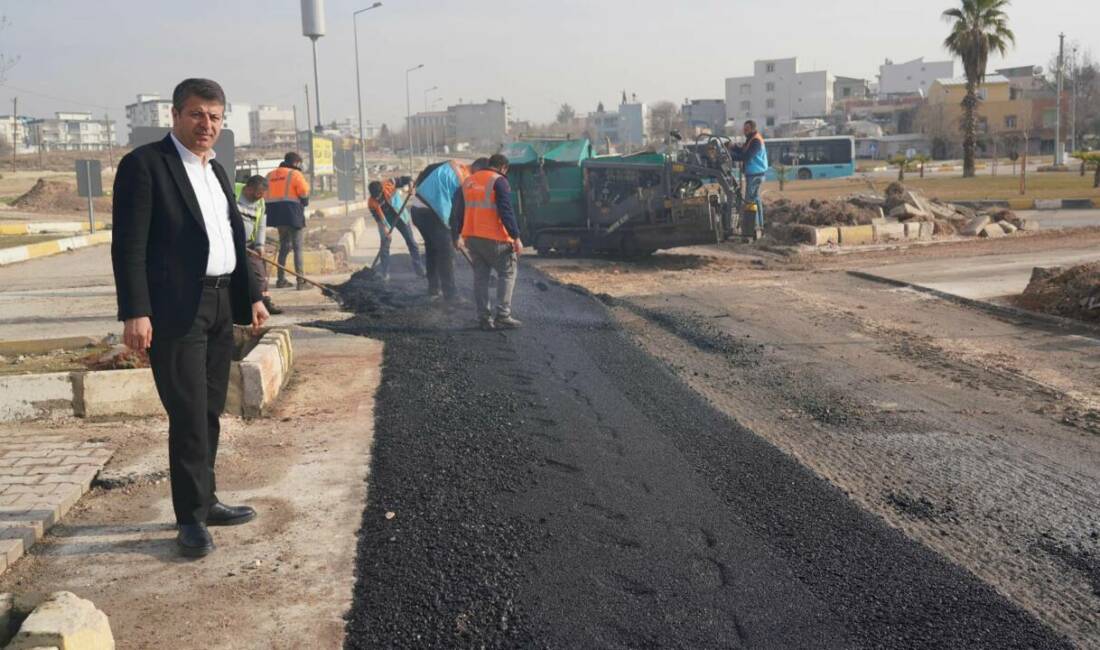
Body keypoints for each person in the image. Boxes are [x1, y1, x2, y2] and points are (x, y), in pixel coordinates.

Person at [111, 78, 268, 558]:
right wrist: (136, 311)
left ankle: (208, 498)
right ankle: (190, 519)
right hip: (175, 310)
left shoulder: (218, 170)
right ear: (176, 116)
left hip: (221, 305)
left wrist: (253, 296)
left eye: (216, 117)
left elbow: (229, 240)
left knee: (210, 408)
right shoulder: (145, 167)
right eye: (198, 115)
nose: (207, 125)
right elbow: (129, 245)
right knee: (187, 414)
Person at [451, 153, 523, 330]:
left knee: (481, 278)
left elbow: (457, 212)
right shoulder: (499, 181)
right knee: (507, 273)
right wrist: (516, 237)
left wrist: (457, 235)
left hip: (473, 239)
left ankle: (484, 318)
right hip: (496, 238)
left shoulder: (467, 182)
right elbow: (506, 211)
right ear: (503, 167)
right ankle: (503, 315)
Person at [410, 160, 470, 301]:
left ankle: (434, 289)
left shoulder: (449, 165)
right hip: (432, 213)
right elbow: (456, 213)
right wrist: (456, 237)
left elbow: (426, 171)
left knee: (432, 250)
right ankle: (451, 295)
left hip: (417, 210)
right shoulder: (464, 179)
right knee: (446, 254)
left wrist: (418, 181)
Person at [234, 175, 282, 315]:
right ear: (248, 188)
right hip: (231, 244)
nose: (260, 197)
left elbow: (261, 224)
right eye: (257, 193)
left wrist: (260, 245)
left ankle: (263, 302)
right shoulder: (233, 190)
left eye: (262, 194)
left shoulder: (260, 202)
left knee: (260, 274)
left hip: (249, 244)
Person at [265, 152, 310, 289]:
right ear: (296, 163)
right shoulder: (295, 174)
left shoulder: (270, 175)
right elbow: (304, 192)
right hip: (293, 216)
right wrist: (304, 201)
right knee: (297, 248)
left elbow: (264, 194)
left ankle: (281, 280)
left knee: (284, 247)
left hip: (276, 216)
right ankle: (301, 282)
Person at [368, 177, 425, 282]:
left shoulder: (389, 184)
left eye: (379, 196)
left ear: (382, 189)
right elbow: (377, 218)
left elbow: (407, 179)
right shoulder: (371, 202)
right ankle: (385, 274)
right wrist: (385, 229)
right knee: (384, 246)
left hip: (400, 215)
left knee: (411, 242)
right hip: (385, 221)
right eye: (376, 197)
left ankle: (420, 271)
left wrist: (411, 187)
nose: (378, 198)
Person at [728, 120, 768, 239]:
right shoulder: (751, 139)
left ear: (752, 129)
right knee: (756, 200)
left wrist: (730, 156)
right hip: (754, 173)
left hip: (755, 174)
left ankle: (753, 228)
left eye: (746, 129)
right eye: (744, 129)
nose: (744, 131)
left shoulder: (755, 141)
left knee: (750, 201)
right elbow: (743, 151)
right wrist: (733, 147)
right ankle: (759, 226)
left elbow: (746, 156)